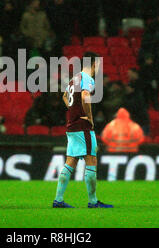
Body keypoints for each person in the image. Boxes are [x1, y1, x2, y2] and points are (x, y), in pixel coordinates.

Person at [53, 52, 113, 209]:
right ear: (93, 63)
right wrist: (89, 117)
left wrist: (73, 110)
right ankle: (93, 201)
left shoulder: (75, 78)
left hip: (72, 126)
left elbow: (65, 96)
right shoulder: (87, 78)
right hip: (82, 126)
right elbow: (86, 95)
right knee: (91, 160)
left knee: (70, 161)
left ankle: (58, 200)